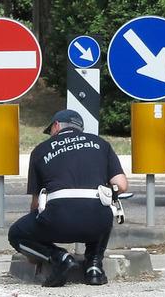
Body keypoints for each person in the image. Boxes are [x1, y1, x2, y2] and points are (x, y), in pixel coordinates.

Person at [9, 109, 128, 287]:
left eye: (50, 130)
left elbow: (36, 204)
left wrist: (35, 247)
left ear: (56, 126)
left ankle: (59, 258)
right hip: (97, 223)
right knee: (103, 207)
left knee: (16, 233)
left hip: (58, 222)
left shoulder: (41, 150)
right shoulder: (101, 144)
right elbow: (121, 184)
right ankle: (94, 267)